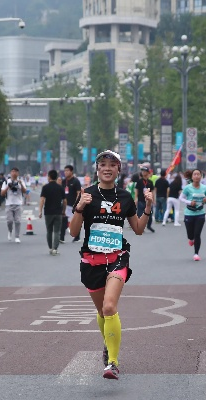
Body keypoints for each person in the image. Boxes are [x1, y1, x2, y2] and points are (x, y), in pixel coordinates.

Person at [68, 150, 153, 380]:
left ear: (118, 170)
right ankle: (108, 343)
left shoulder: (125, 197)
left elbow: (138, 229)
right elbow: (73, 231)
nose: (107, 168)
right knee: (101, 311)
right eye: (103, 164)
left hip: (117, 259)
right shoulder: (86, 194)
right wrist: (79, 207)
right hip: (91, 261)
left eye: (112, 165)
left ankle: (112, 363)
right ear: (97, 169)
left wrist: (147, 208)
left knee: (109, 307)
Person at [179, 169, 206, 261]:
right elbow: (181, 198)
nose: (197, 176)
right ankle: (191, 239)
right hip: (189, 213)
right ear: (192, 177)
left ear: (201, 176)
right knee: (190, 234)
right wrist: (189, 202)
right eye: (195, 174)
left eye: (198, 174)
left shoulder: (204, 187)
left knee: (197, 234)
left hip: (200, 213)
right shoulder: (187, 188)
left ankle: (196, 254)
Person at [39, 170, 66, 255]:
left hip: (48, 212)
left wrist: (40, 211)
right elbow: (65, 201)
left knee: (49, 231)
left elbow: (42, 200)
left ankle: (50, 248)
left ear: (49, 177)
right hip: (58, 212)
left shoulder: (45, 187)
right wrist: (63, 211)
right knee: (57, 231)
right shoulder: (60, 187)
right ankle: (55, 248)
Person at [1, 167, 26, 243]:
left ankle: (17, 236)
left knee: (18, 221)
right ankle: (10, 231)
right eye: (12, 171)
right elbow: (2, 193)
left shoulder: (21, 181)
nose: (14, 173)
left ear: (18, 173)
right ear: (10, 173)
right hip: (9, 203)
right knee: (10, 221)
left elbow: (24, 191)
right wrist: (8, 187)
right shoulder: (6, 181)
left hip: (18, 203)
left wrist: (20, 184)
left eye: (15, 171)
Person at [60, 165, 82, 244]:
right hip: (65, 205)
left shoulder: (75, 181)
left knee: (75, 221)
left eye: (67, 171)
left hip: (73, 205)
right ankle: (61, 237)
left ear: (71, 171)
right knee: (63, 221)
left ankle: (77, 237)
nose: (65, 172)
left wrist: (77, 204)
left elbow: (78, 193)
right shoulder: (63, 181)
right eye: (65, 171)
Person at [134, 166, 155, 233]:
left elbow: (152, 191)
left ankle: (149, 226)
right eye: (142, 171)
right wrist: (136, 198)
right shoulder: (139, 181)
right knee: (140, 214)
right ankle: (140, 227)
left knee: (150, 215)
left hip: (148, 201)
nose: (143, 172)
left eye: (145, 171)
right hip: (141, 200)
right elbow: (136, 190)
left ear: (148, 172)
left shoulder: (150, 182)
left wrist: (153, 199)